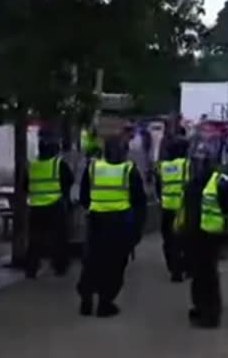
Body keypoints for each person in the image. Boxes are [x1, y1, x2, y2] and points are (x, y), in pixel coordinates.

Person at [77, 136, 147, 317]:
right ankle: (104, 303)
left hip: (95, 222)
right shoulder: (129, 170)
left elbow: (84, 196)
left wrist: (95, 207)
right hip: (119, 223)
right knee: (114, 264)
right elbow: (139, 202)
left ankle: (86, 299)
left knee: (91, 262)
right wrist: (137, 229)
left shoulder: (93, 168)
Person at [179, 141, 228, 329]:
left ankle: (211, 314)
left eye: (202, 161)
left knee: (208, 276)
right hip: (193, 234)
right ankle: (199, 308)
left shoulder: (222, 182)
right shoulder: (192, 183)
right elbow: (187, 209)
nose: (199, 164)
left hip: (211, 236)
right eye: (196, 161)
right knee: (197, 276)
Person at [24, 132, 74, 278]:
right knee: (59, 237)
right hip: (55, 206)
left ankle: (31, 268)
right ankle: (60, 266)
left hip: (36, 207)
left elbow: (25, 186)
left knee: (34, 239)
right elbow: (69, 180)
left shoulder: (32, 166)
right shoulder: (59, 164)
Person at [157, 136, 190, 281]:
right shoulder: (186, 164)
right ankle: (183, 268)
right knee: (184, 241)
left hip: (167, 208)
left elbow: (159, 187)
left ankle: (173, 267)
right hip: (182, 209)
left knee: (169, 240)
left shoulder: (162, 167)